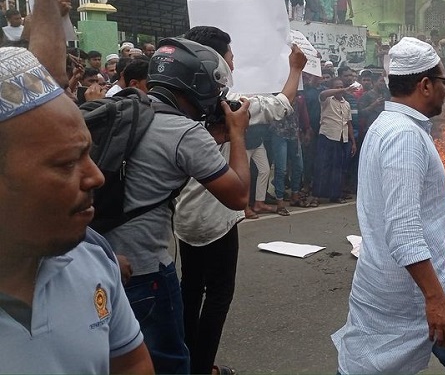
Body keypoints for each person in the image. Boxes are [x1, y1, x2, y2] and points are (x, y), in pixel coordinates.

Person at [1, 0, 153, 372]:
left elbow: (131, 364)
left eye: (87, 155)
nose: (96, 177)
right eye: (66, 164)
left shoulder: (92, 255)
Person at [332, 37, 445, 374]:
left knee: (374, 365)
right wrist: (435, 299)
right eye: (444, 82)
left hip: (390, 281)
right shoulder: (404, 136)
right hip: (412, 289)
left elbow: (403, 197)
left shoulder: (388, 125)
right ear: (425, 85)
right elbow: (403, 230)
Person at [102, 38, 253, 374]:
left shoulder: (123, 107)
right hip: (145, 270)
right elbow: (238, 195)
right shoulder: (184, 131)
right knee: (169, 363)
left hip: (100, 259)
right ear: (197, 85)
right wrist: (237, 133)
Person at [175, 25, 306, 374]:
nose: (233, 64)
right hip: (217, 218)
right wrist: (295, 69)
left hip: (184, 220)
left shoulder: (174, 105)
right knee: (218, 296)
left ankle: (186, 362)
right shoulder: (231, 106)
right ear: (215, 63)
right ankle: (202, 367)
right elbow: (282, 104)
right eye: (229, 58)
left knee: (190, 290)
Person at [308, 78, 356, 206]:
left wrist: (353, 142)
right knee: (322, 167)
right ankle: (316, 196)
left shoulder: (346, 104)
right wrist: (345, 89)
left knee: (338, 169)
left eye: (341, 86)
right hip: (327, 136)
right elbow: (323, 94)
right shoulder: (327, 99)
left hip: (342, 138)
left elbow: (349, 124)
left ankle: (335, 195)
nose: (340, 89)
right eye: (337, 87)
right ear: (331, 88)